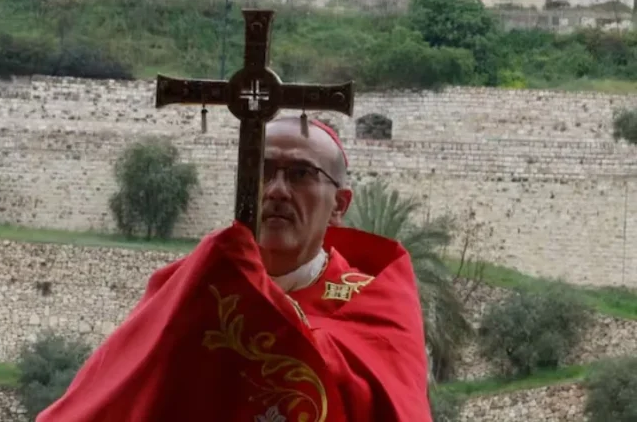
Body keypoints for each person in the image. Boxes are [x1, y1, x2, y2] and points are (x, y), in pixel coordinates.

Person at [38, 116, 431, 422]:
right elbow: (122, 395)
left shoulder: (376, 302)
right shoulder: (193, 287)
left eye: (299, 174)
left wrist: (256, 305)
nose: (276, 190)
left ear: (340, 205)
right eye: (262, 171)